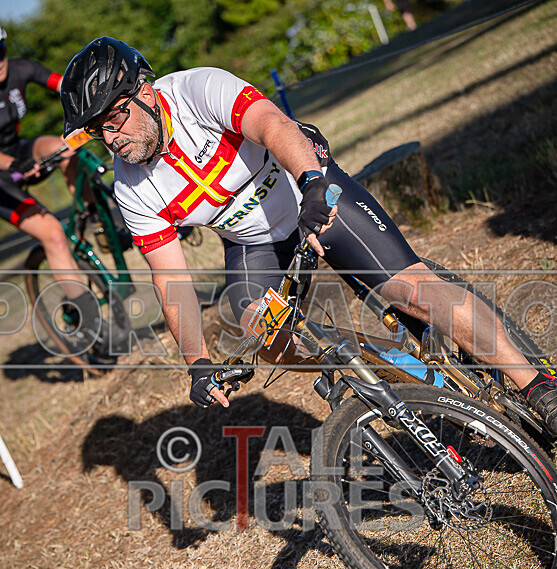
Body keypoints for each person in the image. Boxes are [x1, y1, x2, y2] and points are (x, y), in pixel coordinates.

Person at [60, 37, 557, 435]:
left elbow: (274, 126)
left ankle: (537, 386)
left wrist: (314, 184)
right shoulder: (130, 186)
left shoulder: (197, 89)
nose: (111, 137)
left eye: (115, 117)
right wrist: (197, 362)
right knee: (265, 332)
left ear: (145, 92)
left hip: (310, 193)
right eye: (97, 131)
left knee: (413, 291)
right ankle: (380, 369)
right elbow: (171, 279)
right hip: (254, 243)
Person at [0, 26, 106, 346]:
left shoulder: (20, 69)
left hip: (19, 149)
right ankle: (92, 324)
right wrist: (13, 166)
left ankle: (92, 217)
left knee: (65, 147)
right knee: (53, 235)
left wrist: (94, 94)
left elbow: (65, 85)